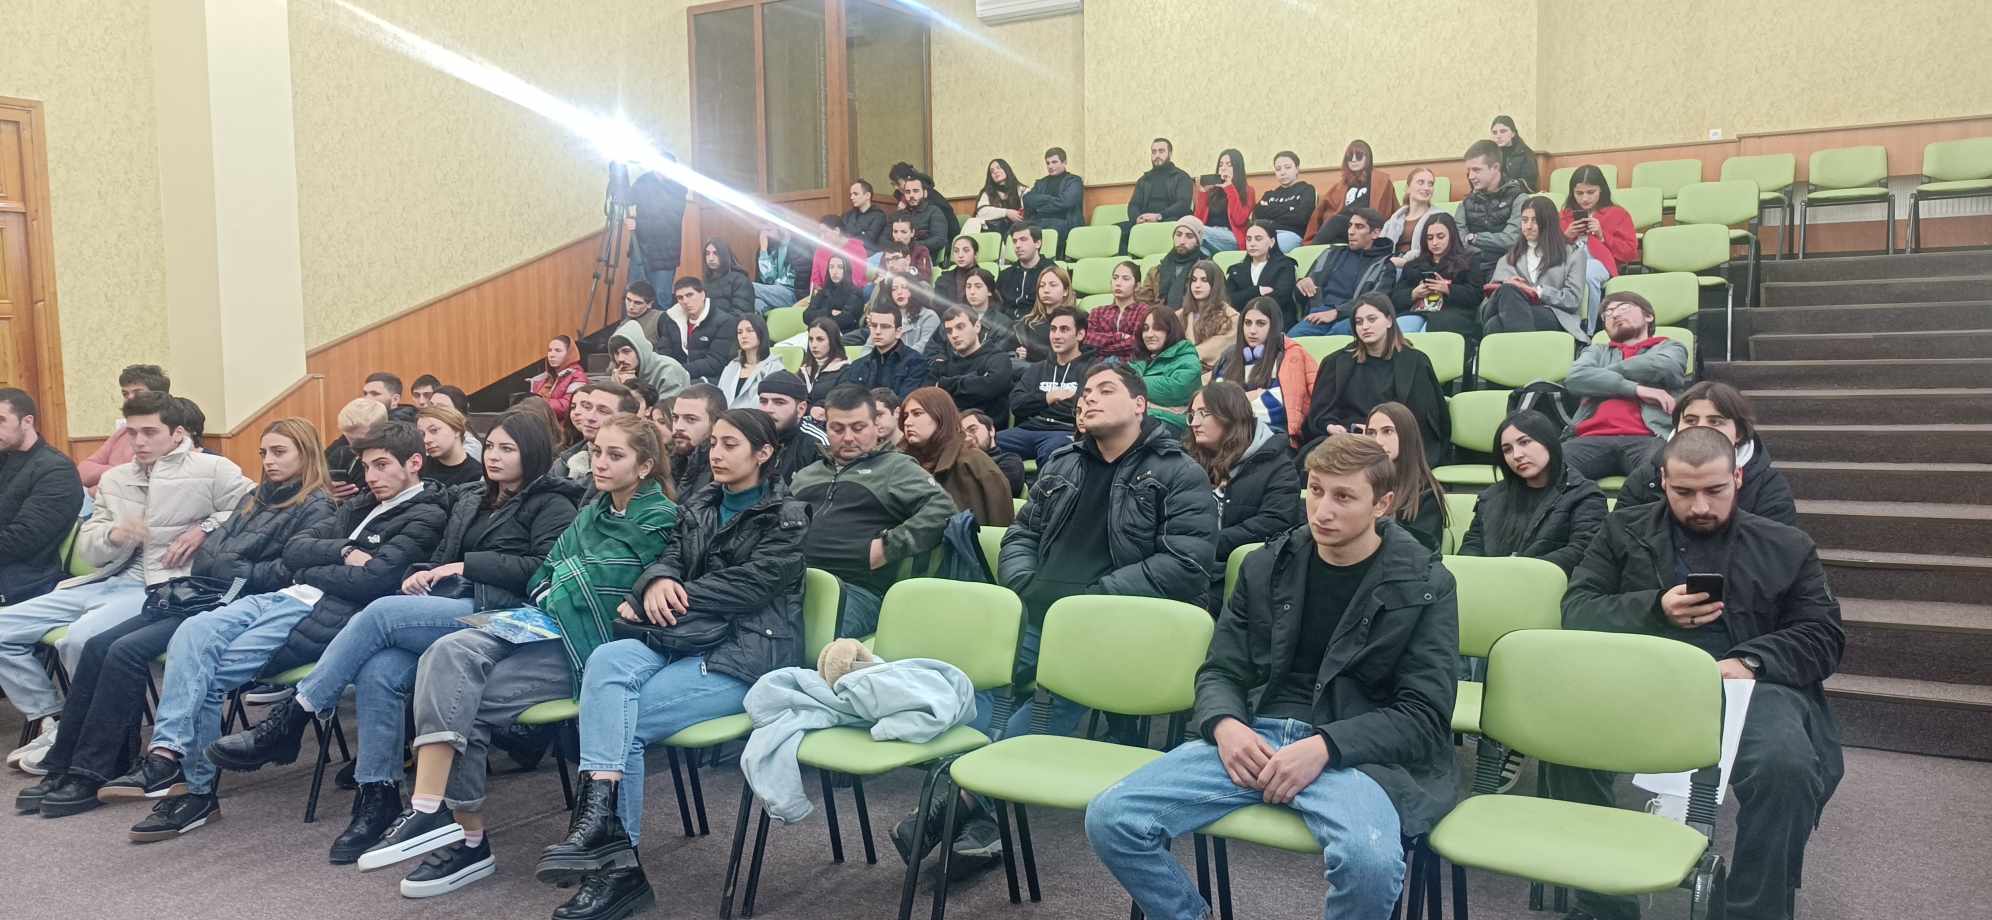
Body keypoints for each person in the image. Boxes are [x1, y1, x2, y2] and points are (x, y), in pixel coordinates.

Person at [1086, 435, 1458, 920]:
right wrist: (1225, 725)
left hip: (1355, 753)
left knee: (1370, 864)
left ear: (1382, 505)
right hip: (1255, 734)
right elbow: (1221, 669)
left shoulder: (1425, 584)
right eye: (1315, 490)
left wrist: (1325, 747)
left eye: (1343, 497)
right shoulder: (1266, 565)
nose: (1322, 510)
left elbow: (1425, 714)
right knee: (1112, 818)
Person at [202, 412, 577, 865]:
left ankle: (294, 716)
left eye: (507, 449)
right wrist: (425, 572)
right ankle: (376, 795)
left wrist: (465, 566)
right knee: (379, 670)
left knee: (379, 613)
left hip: (504, 613)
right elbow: (441, 552)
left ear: (531, 454)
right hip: (454, 599)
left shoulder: (553, 504)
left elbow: (542, 569)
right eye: (492, 446)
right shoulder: (476, 497)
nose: (493, 457)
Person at [345, 415, 674, 899]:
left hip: (594, 647)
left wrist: (561, 583)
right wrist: (561, 584)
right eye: (596, 452)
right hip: (548, 625)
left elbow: (602, 584)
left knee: (464, 696)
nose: (600, 463)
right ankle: (439, 814)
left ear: (644, 466)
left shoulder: (660, 517)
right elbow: (547, 573)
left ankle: (461, 833)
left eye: (615, 455)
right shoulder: (591, 511)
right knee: (449, 652)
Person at [101, 421, 446, 841]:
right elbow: (295, 551)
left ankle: (195, 790)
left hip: (318, 611)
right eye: (367, 467)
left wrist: (316, 567)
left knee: (206, 676)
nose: (371, 477)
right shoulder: (359, 505)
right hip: (282, 596)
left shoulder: (426, 512)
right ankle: (166, 754)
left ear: (414, 463)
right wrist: (343, 551)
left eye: (382, 465)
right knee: (193, 631)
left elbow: (374, 580)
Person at [1557, 426, 1844, 920]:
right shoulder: (1622, 529)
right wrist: (1655, 608)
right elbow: (1577, 609)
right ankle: (1604, 903)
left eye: (1715, 490)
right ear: (1663, 481)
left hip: (1752, 685)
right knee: (1565, 744)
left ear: (1738, 478)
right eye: (1684, 492)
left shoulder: (1787, 545)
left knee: (1786, 767)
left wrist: (1751, 660)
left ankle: (1750, 912)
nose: (1701, 506)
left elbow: (1823, 636)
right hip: (1644, 675)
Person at [544, 409, 804, 916]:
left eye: (730, 445)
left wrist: (671, 591)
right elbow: (670, 557)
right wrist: (657, 579)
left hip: (744, 653)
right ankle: (605, 842)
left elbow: (751, 585)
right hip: (684, 638)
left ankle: (613, 864)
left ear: (764, 453)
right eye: (714, 444)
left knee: (623, 723)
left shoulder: (787, 516)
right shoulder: (700, 503)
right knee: (608, 658)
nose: (717, 454)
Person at [18, 419, 333, 816]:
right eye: (263, 452)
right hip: (204, 595)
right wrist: (223, 557)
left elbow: (290, 571)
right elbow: (212, 554)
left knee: (126, 651)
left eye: (279, 452)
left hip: (240, 605)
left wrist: (232, 564)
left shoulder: (318, 506)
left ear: (307, 453)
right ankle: (64, 761)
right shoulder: (257, 497)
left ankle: (96, 769)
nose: (268, 460)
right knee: (98, 646)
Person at [1, 392, 253, 770]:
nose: (138, 442)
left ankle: (86, 735)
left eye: (150, 432)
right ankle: (54, 718)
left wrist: (204, 528)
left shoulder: (212, 469)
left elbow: (253, 508)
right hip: (108, 578)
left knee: (80, 638)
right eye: (132, 433)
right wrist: (113, 536)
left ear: (177, 433)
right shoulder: (117, 478)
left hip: (160, 587)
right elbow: (89, 546)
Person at [996, 364, 1215, 738]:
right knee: (973, 679)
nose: (1090, 398)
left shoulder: (1179, 472)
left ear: (1139, 405)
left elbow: (1185, 563)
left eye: (1106, 390)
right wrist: (1023, 580)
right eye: (1086, 393)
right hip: (1037, 612)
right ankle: (966, 758)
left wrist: (1097, 598)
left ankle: (981, 767)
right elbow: (1022, 534)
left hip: (1112, 622)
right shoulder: (1062, 462)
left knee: (1045, 706)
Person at [791, 385, 956, 638]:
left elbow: (943, 510)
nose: (848, 437)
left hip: (855, 590)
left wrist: (887, 547)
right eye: (838, 429)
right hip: (793, 583)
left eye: (858, 428)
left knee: (798, 635)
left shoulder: (895, 467)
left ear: (876, 425)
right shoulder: (806, 475)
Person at [1617, 382, 1798, 526]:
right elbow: (1620, 539)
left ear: (1739, 432)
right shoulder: (1646, 477)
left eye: (1715, 421)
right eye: (1690, 421)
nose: (1701, 428)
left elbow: (1776, 550)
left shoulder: (1768, 486)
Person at [1187, 381, 1300, 604]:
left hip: (1242, 575)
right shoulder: (1187, 462)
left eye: (1204, 413)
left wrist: (1209, 543)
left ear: (1231, 414)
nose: (1194, 423)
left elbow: (1275, 523)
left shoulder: (1277, 465)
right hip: (1189, 566)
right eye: (1191, 415)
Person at [1300, 294, 1449, 463]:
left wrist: (1382, 433)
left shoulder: (1416, 362)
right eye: (1359, 322)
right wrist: (1331, 427)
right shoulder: (1335, 362)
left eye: (1372, 319)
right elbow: (1320, 414)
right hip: (1348, 442)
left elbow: (1425, 418)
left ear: (1389, 321)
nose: (1365, 326)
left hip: (1397, 442)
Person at [1563, 291, 1690, 481]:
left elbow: (1664, 367)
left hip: (1649, 437)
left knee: (1660, 473)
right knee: (1550, 468)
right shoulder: (1596, 351)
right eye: (1607, 314)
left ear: (1648, 316)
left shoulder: (1670, 347)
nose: (1614, 314)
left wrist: (1599, 375)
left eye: (1623, 307)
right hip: (1590, 437)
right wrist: (1637, 390)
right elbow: (1575, 378)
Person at [1459, 410, 1606, 573]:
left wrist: (1519, 570)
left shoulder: (1584, 495)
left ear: (1548, 442)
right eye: (1507, 450)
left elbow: (1582, 550)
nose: (1516, 455)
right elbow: (1471, 547)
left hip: (1550, 585)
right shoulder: (1490, 497)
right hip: (1490, 582)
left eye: (1524, 442)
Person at [0, 388, 85, 609]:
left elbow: (22, 540)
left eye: (1, 420)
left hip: (23, 579)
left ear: (27, 421)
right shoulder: (4, 457)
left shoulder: (56, 470)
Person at [1211, 298, 1318, 446]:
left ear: (1274, 326)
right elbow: (1214, 399)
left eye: (1261, 323)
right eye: (1247, 323)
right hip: (1228, 430)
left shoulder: (1289, 356)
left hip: (1272, 434)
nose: (1252, 330)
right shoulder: (1230, 355)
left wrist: (1232, 404)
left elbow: (1279, 406)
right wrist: (1252, 396)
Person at [901, 388, 1014, 526]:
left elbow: (999, 526)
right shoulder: (902, 464)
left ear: (941, 416)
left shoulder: (973, 462)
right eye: (905, 416)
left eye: (917, 414)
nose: (907, 422)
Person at [1482, 196, 1591, 338]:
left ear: (1548, 223)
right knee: (1508, 290)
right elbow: (1488, 305)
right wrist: (1505, 287)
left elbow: (1573, 300)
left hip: (1554, 313)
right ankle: (1529, 349)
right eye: (1524, 220)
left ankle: (1523, 348)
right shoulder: (1507, 259)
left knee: (1494, 325)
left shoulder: (1573, 254)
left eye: (1535, 220)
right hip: (1509, 308)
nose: (1528, 226)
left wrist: (1537, 292)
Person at [996, 306, 1090, 467]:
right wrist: (1048, 398)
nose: (1056, 336)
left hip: (1065, 431)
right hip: (1029, 430)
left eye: (1064, 329)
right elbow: (1016, 404)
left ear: (1080, 334)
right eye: (1053, 329)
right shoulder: (1038, 368)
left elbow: (1084, 407)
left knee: (1052, 451)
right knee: (984, 441)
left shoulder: (1091, 369)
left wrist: (1035, 404)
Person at [1290, 207, 1405, 336]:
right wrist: (1302, 284)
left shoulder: (1384, 265)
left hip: (1356, 316)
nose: (1351, 231)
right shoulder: (1330, 253)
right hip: (1320, 313)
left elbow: (1377, 302)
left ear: (1375, 233)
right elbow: (1304, 294)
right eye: (1350, 226)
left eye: (1359, 227)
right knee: (1292, 339)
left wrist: (1337, 313)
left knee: (1338, 334)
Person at [1366, 401, 1448, 556]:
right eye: (1371, 433)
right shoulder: (1362, 484)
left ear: (1406, 436)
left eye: (1387, 431)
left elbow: (1421, 554)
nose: (1377, 441)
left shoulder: (1426, 495)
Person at [1389, 212, 1486, 338]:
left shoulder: (1469, 260)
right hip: (1416, 312)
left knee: (1428, 334)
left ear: (1452, 236)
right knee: (1401, 330)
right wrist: (1413, 294)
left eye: (1440, 237)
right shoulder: (1413, 265)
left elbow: (1476, 295)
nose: (1434, 242)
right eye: (1430, 238)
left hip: (1451, 315)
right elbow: (1395, 298)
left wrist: (1448, 289)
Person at [79, 364, 173, 490]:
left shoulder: (168, 433)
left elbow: (141, 480)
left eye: (138, 393)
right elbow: (83, 470)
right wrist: (118, 473)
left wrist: (102, 481)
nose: (129, 399)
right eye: (125, 394)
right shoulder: (123, 431)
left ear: (158, 396)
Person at [1560, 164, 1636, 305]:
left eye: (1591, 192)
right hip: (1568, 261)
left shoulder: (1618, 214)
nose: (1585, 198)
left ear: (1601, 190)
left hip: (1600, 263)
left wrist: (1602, 236)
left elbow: (1630, 252)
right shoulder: (1565, 215)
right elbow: (1549, 248)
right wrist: (1566, 236)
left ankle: (1589, 320)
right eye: (1579, 193)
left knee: (1586, 273)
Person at [1306, 139, 1400, 246]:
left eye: (1359, 156)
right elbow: (1325, 207)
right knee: (1335, 235)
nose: (1354, 160)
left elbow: (1392, 208)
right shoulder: (1342, 185)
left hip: (1366, 223)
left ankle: (1311, 248)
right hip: (1345, 227)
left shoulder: (1381, 181)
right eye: (1350, 157)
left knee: (1336, 221)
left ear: (1368, 158)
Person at [928, 306, 1012, 425]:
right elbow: (928, 397)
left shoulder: (998, 359)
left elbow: (990, 388)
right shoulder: (942, 364)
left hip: (985, 428)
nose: (954, 335)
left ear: (977, 326)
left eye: (960, 327)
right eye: (949, 331)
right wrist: (974, 379)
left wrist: (945, 384)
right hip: (947, 429)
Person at [1459, 139, 1528, 275]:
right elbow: (1459, 241)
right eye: (1469, 170)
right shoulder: (1466, 202)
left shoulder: (1519, 199)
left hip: (1507, 268)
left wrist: (1475, 238)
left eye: (1476, 170)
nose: (1471, 176)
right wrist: (1479, 251)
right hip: (1471, 266)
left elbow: (1511, 240)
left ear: (1495, 167)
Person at [1129, 306, 1203, 429]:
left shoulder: (1187, 357)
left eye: (1157, 328)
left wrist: (1133, 383)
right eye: (1145, 329)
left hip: (1170, 424)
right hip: (1140, 417)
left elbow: (1177, 389)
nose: (1149, 334)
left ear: (1171, 331)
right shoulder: (1139, 359)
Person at [655, 276, 740, 382]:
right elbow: (663, 353)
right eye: (680, 298)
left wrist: (678, 371)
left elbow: (715, 362)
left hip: (710, 380)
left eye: (689, 295)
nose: (685, 301)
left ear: (703, 295)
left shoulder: (725, 321)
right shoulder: (672, 320)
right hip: (675, 377)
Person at [1117, 138, 1194, 252]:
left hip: (1169, 219)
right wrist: (1138, 218)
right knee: (1115, 231)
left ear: (1170, 153)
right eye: (1154, 152)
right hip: (1144, 222)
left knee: (1173, 226)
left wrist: (1159, 216)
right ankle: (1128, 260)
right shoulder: (1144, 180)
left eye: (1161, 151)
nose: (1157, 155)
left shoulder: (1181, 177)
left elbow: (1183, 204)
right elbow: (1133, 205)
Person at [756, 371, 829, 490]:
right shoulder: (751, 436)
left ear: (801, 409)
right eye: (763, 401)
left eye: (779, 402)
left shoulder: (817, 444)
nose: (768, 409)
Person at [626, 160, 689, 294]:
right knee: (635, 294)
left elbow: (670, 220)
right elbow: (627, 200)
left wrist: (638, 224)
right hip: (640, 249)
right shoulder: (643, 181)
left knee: (661, 297)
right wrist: (619, 177)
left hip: (665, 254)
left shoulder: (678, 187)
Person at [557, 384, 640, 484]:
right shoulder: (565, 459)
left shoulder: (637, 462)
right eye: (587, 408)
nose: (590, 417)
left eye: (603, 411)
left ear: (626, 418)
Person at [1223, 221, 1299, 327]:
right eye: (1249, 239)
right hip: (1243, 324)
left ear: (1272, 242)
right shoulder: (1236, 269)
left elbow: (1281, 298)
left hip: (1277, 323)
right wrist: (1257, 290)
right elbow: (1229, 300)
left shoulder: (1285, 265)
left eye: (1258, 239)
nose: (1252, 243)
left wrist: (1244, 298)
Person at [843, 303, 928, 398]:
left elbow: (907, 400)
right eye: (874, 326)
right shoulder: (858, 365)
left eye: (885, 327)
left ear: (898, 332)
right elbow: (850, 399)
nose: (878, 331)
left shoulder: (916, 363)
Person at [930, 267, 1014, 361]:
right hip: (949, 367)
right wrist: (939, 359)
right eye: (968, 287)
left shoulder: (1003, 324)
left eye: (978, 287)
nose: (972, 292)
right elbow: (933, 347)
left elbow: (997, 356)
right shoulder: (953, 316)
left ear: (989, 291)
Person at [1021, 147, 1084, 258]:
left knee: (1052, 229)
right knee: (1016, 229)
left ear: (1064, 162)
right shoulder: (1041, 183)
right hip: (1039, 222)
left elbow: (1066, 202)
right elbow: (1028, 199)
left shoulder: (1074, 181)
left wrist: (1040, 207)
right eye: (1048, 163)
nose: (1050, 166)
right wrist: (1049, 198)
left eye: (1054, 162)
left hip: (1064, 222)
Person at [666, 384, 726, 499]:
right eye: (675, 418)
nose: (678, 427)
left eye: (691, 419)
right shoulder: (667, 463)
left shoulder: (722, 472)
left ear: (715, 423)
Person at [1084, 261, 1152, 361]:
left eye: (1125, 279)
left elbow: (1137, 343)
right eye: (1115, 278)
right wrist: (1119, 336)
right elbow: (1088, 338)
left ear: (1137, 286)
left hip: (1130, 364)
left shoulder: (1143, 311)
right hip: (1098, 364)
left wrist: (1102, 348)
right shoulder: (1097, 312)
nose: (1118, 283)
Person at [714, 313, 785, 410]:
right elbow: (719, 397)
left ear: (761, 333)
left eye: (749, 331)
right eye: (739, 332)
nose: (743, 336)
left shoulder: (775, 367)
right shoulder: (732, 366)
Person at [1179, 259, 1239, 371]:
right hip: (1179, 368)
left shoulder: (1231, 317)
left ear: (1215, 284)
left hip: (1212, 373)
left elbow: (1217, 350)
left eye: (1204, 280)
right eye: (1194, 280)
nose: (1197, 285)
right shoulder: (1181, 314)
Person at [1013, 262, 1078, 366]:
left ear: (1065, 291)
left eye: (1053, 285)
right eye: (1042, 286)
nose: (1046, 290)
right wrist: (1018, 353)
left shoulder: (1077, 320)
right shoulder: (1028, 322)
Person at [607, 321, 691, 401]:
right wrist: (616, 389)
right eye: (616, 353)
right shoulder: (622, 373)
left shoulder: (669, 371)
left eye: (626, 351)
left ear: (640, 350)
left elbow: (665, 409)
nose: (620, 359)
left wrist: (633, 387)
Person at [1194, 148, 1256, 254]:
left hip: (1232, 238)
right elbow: (1198, 220)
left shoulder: (1248, 191)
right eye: (1221, 165)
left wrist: (1229, 187)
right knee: (1199, 250)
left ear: (1237, 168)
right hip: (1208, 236)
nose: (1223, 168)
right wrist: (1203, 192)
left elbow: (1239, 220)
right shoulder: (1212, 190)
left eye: (1229, 165)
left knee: (1192, 229)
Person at [1253, 150, 1318, 252]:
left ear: (1297, 169)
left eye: (1287, 167)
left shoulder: (1307, 190)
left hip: (1291, 234)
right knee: (1253, 246)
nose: (1282, 172)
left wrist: (1271, 215)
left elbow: (1301, 218)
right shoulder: (1269, 194)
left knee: (1265, 249)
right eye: (1278, 169)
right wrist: (1289, 209)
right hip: (1265, 234)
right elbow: (1257, 215)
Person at [327, 397, 389, 503]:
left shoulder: (393, 461)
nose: (353, 446)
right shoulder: (341, 453)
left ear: (382, 431)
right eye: (349, 438)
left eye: (360, 441)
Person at [1382, 167, 1442, 265]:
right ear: (1408, 188)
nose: (1426, 188)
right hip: (1389, 267)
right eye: (1421, 182)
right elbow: (1381, 248)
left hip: (1420, 267)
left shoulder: (1440, 217)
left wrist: (1404, 262)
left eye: (1430, 184)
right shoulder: (1394, 219)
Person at [416, 405, 485, 488]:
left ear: (456, 430)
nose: (426, 440)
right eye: (422, 434)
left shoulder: (477, 476)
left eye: (434, 430)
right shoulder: (418, 467)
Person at [962, 410, 1025, 498]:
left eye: (972, 430)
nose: (967, 438)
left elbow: (998, 492)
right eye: (961, 435)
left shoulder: (1010, 461)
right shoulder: (958, 464)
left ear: (991, 430)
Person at [803, 254, 867, 340]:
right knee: (787, 345)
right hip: (814, 334)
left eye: (840, 267)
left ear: (846, 270)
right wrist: (829, 312)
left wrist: (818, 315)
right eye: (831, 267)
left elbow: (844, 320)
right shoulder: (822, 291)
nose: (835, 271)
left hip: (840, 337)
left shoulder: (855, 292)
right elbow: (806, 316)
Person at [996, 224, 1052, 315]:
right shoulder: (1005, 275)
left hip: (1038, 321)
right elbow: (996, 305)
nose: (1017, 245)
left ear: (1037, 243)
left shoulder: (1052, 272)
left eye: (1023, 239)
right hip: (1005, 322)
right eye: (1015, 241)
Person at [963, 157, 1026, 239]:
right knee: (972, 222)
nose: (995, 172)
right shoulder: (987, 192)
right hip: (992, 232)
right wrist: (1007, 212)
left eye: (998, 168)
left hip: (1016, 231)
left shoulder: (1021, 189)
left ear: (1006, 169)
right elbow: (981, 212)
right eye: (992, 171)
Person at [530, 336, 589, 423]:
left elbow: (568, 406)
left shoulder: (578, 377)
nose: (552, 355)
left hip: (562, 427)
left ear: (569, 354)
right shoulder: (545, 378)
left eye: (558, 350)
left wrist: (537, 404)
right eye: (550, 350)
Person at [796, 319, 850, 413]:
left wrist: (819, 408)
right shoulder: (804, 370)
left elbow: (841, 400)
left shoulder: (846, 370)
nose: (814, 345)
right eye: (811, 339)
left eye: (820, 339)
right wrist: (811, 410)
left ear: (832, 341)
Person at [1152, 215, 1205, 308]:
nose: (1182, 241)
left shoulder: (1207, 271)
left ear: (1197, 242)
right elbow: (1143, 302)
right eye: (1178, 234)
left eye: (1189, 236)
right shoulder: (1156, 271)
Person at [899, 172, 954, 261]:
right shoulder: (901, 214)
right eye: (908, 192)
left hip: (924, 258)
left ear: (925, 193)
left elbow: (939, 240)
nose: (911, 195)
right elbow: (885, 237)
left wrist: (911, 245)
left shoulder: (934, 212)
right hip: (898, 257)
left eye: (916, 191)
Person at [751, 227, 808, 314]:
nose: (765, 234)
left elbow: (772, 280)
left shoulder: (799, 246)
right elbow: (767, 279)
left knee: (748, 286)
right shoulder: (770, 246)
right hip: (773, 293)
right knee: (756, 304)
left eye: (769, 229)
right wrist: (763, 251)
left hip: (793, 294)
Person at [808, 217, 870, 295]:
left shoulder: (857, 250)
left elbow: (856, 281)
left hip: (852, 296)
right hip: (825, 295)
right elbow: (815, 280)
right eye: (820, 233)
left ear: (837, 230)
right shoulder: (820, 250)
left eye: (825, 232)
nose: (822, 237)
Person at [887, 271, 942, 354]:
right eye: (894, 289)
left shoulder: (929, 316)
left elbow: (925, 345)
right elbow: (870, 346)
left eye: (904, 287)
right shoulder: (886, 316)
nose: (899, 292)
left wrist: (896, 358)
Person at [699, 239, 755, 317]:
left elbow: (741, 313)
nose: (711, 258)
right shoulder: (705, 282)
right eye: (707, 254)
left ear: (724, 255)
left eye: (715, 253)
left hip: (731, 323)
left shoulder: (740, 280)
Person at [1489, 114, 1540, 193]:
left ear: (1513, 133)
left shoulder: (1526, 153)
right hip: (1494, 194)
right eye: (1495, 133)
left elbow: (1529, 185)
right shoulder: (1490, 154)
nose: (1498, 136)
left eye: (1503, 131)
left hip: (1518, 195)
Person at [840, 179, 890, 253]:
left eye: (855, 194)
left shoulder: (879, 216)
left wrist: (848, 239)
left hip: (868, 255)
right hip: (846, 252)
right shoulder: (847, 215)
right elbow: (840, 235)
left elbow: (868, 239)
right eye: (851, 194)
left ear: (867, 195)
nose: (851, 197)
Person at [933, 235, 982, 308]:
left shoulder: (985, 279)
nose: (960, 255)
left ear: (975, 254)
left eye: (966, 250)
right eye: (956, 251)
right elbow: (937, 307)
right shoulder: (943, 279)